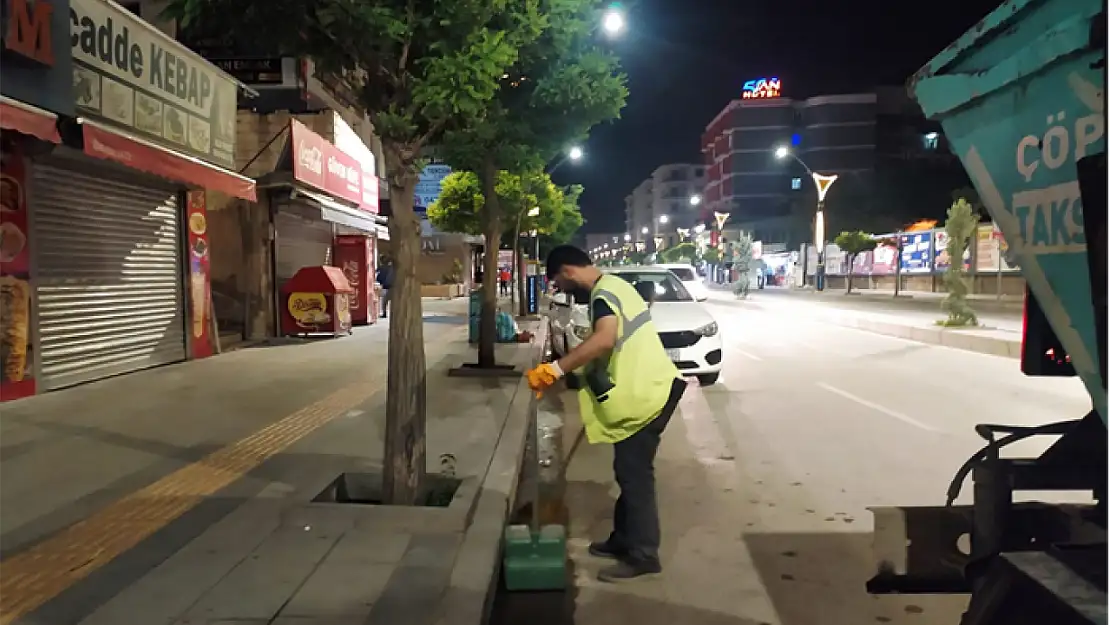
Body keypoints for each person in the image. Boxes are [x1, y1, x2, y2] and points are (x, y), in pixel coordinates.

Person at [526, 245, 685, 582]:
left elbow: (604, 340)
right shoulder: (614, 286)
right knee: (627, 469)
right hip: (649, 390)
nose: (561, 288)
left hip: (647, 395)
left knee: (635, 475)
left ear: (568, 271)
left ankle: (643, 554)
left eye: (559, 281)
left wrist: (555, 369)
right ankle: (623, 540)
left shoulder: (603, 295)